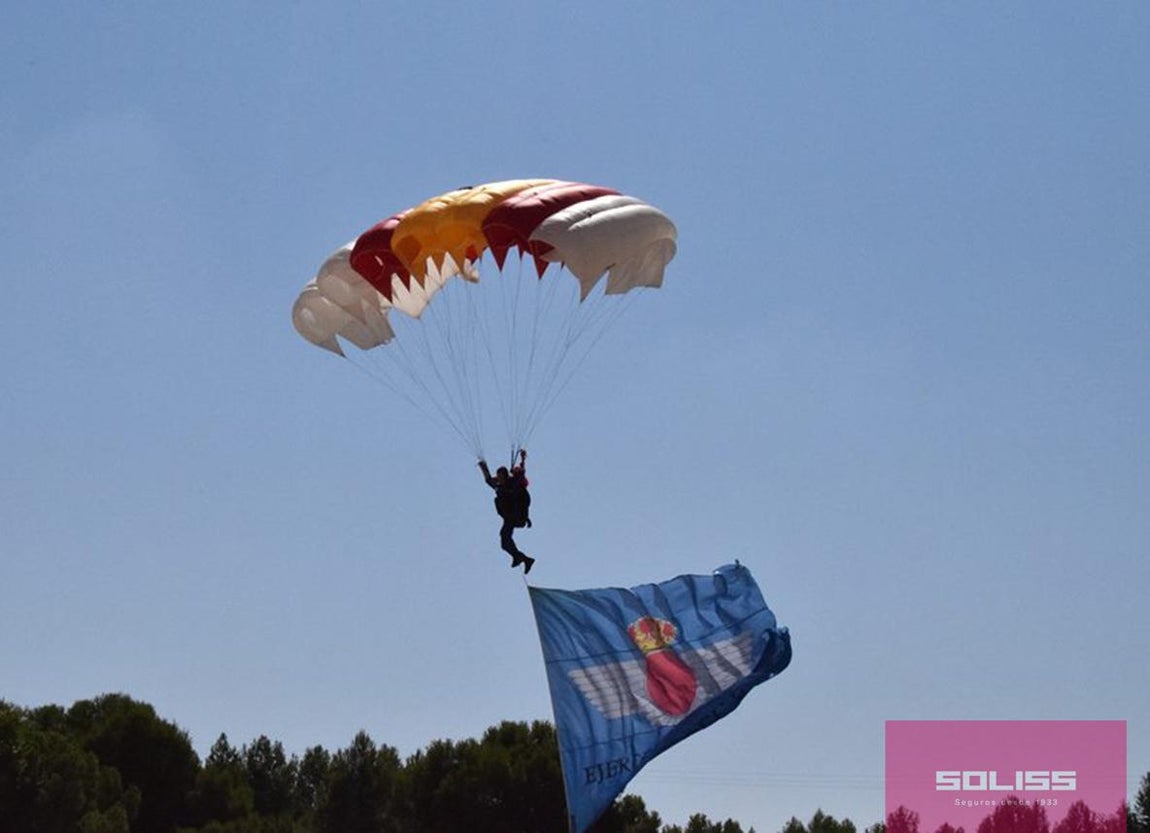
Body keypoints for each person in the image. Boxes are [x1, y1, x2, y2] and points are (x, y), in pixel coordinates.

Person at [478, 449, 535, 573]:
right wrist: (483, 467)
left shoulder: (513, 483)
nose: (498, 479)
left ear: (505, 476)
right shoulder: (499, 487)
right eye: (497, 477)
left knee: (505, 536)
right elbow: (488, 480)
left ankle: (520, 557)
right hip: (510, 517)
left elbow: (521, 474)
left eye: (500, 477)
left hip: (517, 516)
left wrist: (523, 459)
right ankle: (523, 558)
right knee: (504, 543)